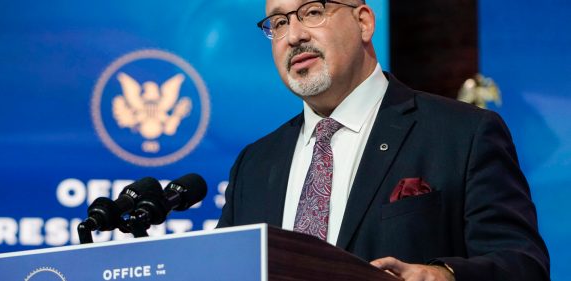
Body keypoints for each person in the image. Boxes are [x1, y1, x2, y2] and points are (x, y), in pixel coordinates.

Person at [217, 0, 550, 280]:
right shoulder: (255, 164)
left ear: (363, 22)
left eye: (312, 11)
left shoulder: (463, 133)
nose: (294, 35)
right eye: (278, 23)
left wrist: (445, 274)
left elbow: (523, 263)